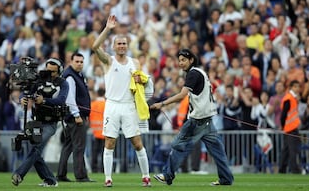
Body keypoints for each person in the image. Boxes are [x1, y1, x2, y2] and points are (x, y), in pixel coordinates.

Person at [150, 49, 234, 186]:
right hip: (207, 120)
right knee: (218, 151)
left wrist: (162, 103)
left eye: (183, 60)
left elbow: (182, 95)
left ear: (191, 60)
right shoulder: (200, 72)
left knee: (177, 145)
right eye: (179, 60)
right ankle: (226, 179)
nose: (180, 63)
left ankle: (167, 174)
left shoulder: (193, 74)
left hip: (197, 121)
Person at [92, 14, 152, 187]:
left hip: (128, 106)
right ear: (114, 46)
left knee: (137, 142)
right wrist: (107, 29)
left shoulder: (135, 62)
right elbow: (95, 46)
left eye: (124, 43)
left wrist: (143, 81)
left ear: (127, 45)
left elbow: (142, 83)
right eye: (118, 43)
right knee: (110, 142)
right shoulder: (108, 61)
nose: (121, 46)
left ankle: (146, 176)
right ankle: (108, 178)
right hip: (112, 105)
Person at [11, 58, 69, 187]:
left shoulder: (63, 83)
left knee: (36, 148)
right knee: (35, 150)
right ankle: (50, 180)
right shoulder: (39, 80)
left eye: (53, 72)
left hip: (51, 122)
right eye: (48, 71)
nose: (50, 74)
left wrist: (44, 101)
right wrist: (22, 100)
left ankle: (19, 174)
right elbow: (25, 92)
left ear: (59, 71)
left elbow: (61, 100)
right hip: (37, 121)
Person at [56, 52, 94, 182]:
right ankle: (81, 175)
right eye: (77, 61)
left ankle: (61, 174)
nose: (79, 64)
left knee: (69, 146)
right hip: (75, 116)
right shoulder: (70, 76)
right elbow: (69, 97)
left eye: (81, 62)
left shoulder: (77, 75)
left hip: (74, 115)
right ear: (71, 62)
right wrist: (77, 115)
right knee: (79, 146)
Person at [278, 80, 302, 174]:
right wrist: (283, 125)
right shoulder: (289, 98)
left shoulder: (292, 98)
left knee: (286, 150)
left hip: (289, 128)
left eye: (298, 87)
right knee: (292, 150)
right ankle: (294, 169)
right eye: (295, 86)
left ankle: (282, 169)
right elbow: (283, 114)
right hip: (291, 128)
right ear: (291, 87)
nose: (297, 89)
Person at [89, 87, 106, 173]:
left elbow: (89, 116)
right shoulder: (106, 104)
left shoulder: (93, 104)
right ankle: (103, 169)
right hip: (104, 132)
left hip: (95, 132)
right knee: (104, 152)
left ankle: (94, 168)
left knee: (94, 152)